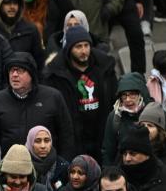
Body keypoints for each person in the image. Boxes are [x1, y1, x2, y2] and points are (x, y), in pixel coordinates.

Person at [41, 26, 118, 159]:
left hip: (101, 136)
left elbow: (114, 99)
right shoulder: (55, 75)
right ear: (69, 48)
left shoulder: (105, 68)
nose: (83, 51)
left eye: (86, 45)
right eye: (78, 47)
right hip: (73, 140)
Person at [0, 54, 74, 161]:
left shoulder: (53, 97)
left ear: (31, 74)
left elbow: (66, 137)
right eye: (11, 70)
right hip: (12, 170)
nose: (15, 75)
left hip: (47, 168)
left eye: (20, 70)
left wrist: (62, 168)